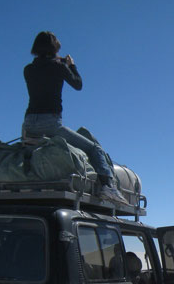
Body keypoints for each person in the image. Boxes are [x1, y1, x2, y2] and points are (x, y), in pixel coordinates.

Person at [21, 31, 124, 202]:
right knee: (94, 148)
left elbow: (43, 68)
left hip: (29, 123)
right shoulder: (59, 67)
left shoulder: (28, 70)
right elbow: (78, 84)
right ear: (54, 49)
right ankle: (108, 187)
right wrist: (71, 65)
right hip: (50, 123)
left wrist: (59, 62)